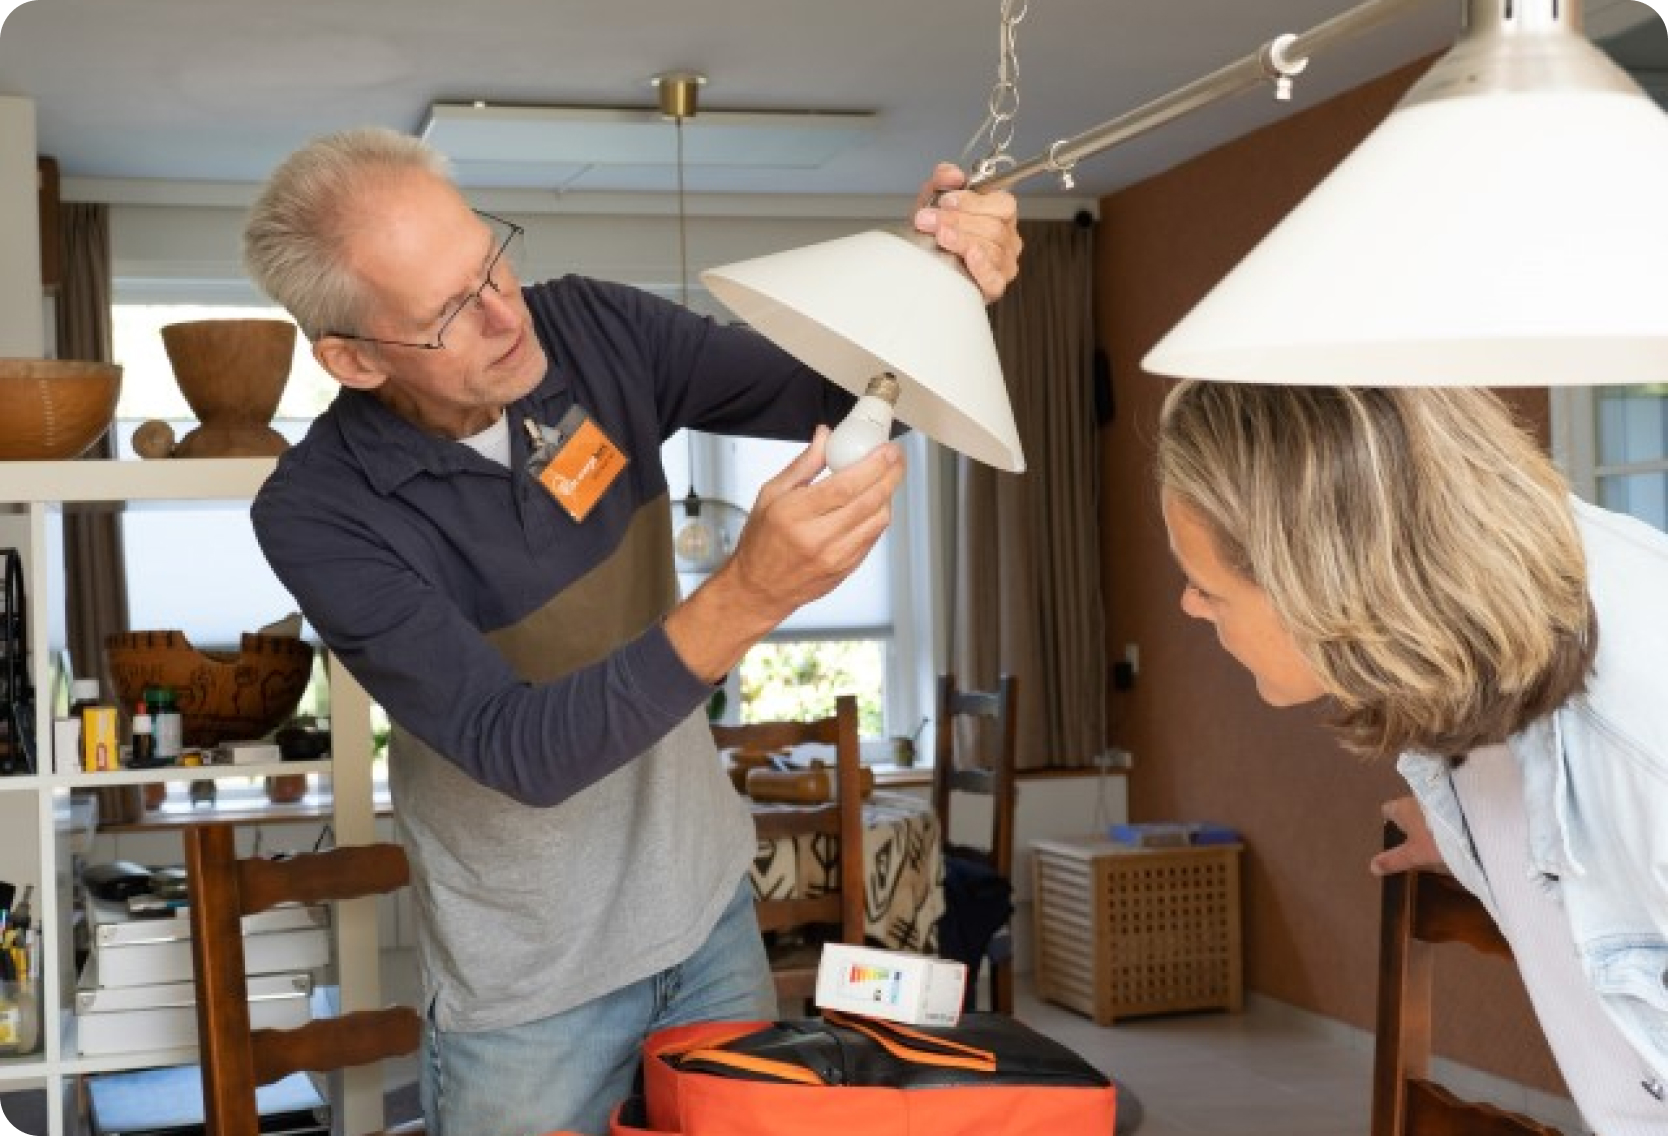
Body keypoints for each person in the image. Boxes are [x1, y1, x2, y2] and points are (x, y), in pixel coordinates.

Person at [240, 125, 1021, 1136]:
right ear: (350, 357)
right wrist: (749, 594)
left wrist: (942, 284)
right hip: (530, 988)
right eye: (448, 312)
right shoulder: (319, 510)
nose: (504, 313)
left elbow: (831, 392)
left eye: (489, 261)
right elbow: (520, 749)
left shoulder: (593, 328)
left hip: (707, 920)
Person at [1153, 381, 1667, 1135]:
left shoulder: (1636, 744)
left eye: (1207, 586)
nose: (1190, 604)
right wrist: (1480, 829)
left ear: (1315, 581)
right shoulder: (1468, 630)